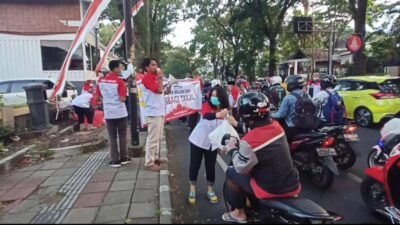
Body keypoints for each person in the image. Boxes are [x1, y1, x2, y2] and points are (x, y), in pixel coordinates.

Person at [222, 92, 300, 223]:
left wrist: (232, 148)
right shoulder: (277, 126)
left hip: (270, 188)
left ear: (244, 114)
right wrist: (236, 124)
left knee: (231, 172)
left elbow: (240, 167)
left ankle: (239, 214)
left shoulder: (249, 142)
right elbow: (257, 129)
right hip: (291, 182)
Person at [187, 85, 230, 205]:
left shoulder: (226, 109)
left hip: (212, 143)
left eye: (216, 95)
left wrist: (223, 146)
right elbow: (207, 116)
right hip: (198, 140)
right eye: (212, 95)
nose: (213, 97)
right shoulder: (206, 106)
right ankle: (192, 189)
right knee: (195, 165)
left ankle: (210, 190)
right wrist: (218, 115)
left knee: (210, 166)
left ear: (222, 97)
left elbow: (225, 128)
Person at [96, 60, 130, 168]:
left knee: (112, 136)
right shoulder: (119, 81)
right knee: (123, 135)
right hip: (120, 112)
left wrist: (108, 99)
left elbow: (98, 97)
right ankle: (124, 158)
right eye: (120, 67)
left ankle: (115, 160)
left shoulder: (101, 81)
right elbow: (122, 99)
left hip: (109, 113)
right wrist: (125, 88)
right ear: (115, 69)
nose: (122, 70)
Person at [141, 57, 167, 172]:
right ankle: (149, 162)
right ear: (146, 67)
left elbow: (161, 91)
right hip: (153, 112)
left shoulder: (155, 78)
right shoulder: (147, 78)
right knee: (152, 138)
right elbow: (159, 90)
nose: (155, 66)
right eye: (152, 64)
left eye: (155, 64)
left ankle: (155, 157)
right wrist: (160, 77)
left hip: (160, 111)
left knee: (158, 137)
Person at [271, 75, 308, 142]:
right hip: (305, 126)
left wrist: (270, 115)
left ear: (291, 85)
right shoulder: (307, 96)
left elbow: (280, 115)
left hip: (291, 128)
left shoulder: (288, 98)